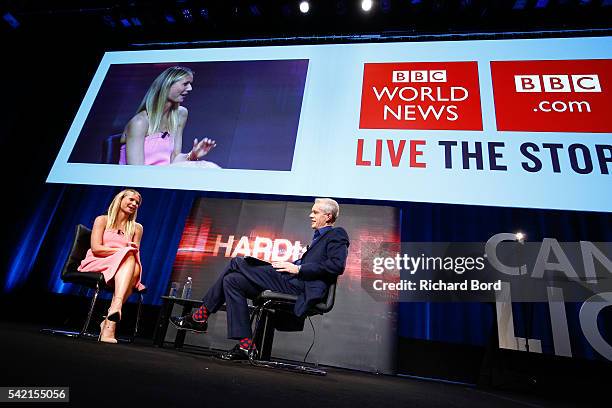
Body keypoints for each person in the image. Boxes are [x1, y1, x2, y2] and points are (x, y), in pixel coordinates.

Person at [170, 198, 350, 360]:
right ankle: (246, 345)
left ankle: (200, 316)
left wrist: (298, 268)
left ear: (328, 216)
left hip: (300, 288)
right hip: (289, 281)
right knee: (232, 281)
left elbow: (336, 266)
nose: (310, 215)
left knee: (238, 262)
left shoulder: (337, 234)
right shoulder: (318, 238)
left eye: (315, 212)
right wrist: (289, 264)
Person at [78, 189, 145, 344]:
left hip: (124, 267)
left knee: (132, 262)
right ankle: (112, 314)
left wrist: (127, 255)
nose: (134, 204)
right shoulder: (102, 220)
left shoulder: (136, 228)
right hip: (98, 261)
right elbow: (96, 248)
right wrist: (123, 251)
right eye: (131, 200)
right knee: (129, 254)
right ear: (120, 199)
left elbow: (137, 254)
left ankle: (111, 320)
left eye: (137, 203)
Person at [118, 66, 220, 168]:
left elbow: (174, 160)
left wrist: (192, 155)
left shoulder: (180, 114)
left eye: (190, 84)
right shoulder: (140, 122)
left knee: (207, 167)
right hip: (144, 179)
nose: (190, 88)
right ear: (167, 85)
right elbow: (136, 174)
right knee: (207, 167)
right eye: (185, 84)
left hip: (166, 176)